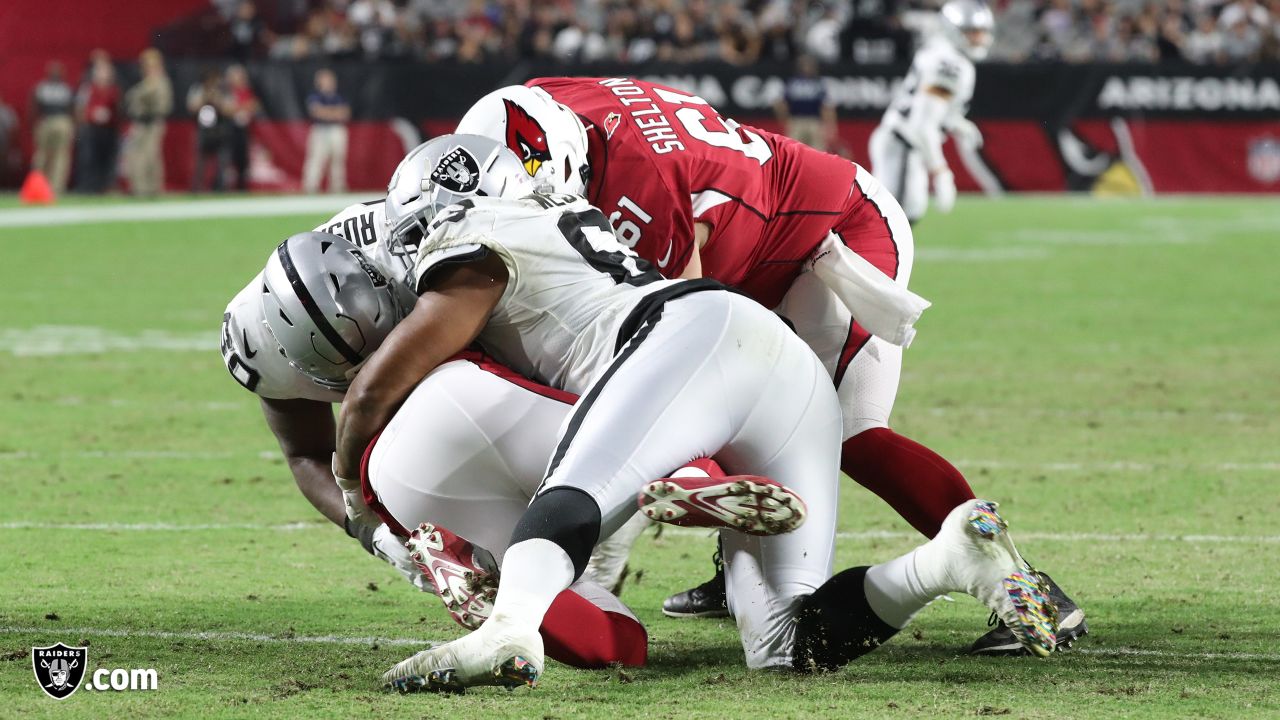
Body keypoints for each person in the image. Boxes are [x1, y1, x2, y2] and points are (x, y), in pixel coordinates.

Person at [329, 134, 1057, 691]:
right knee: (784, 645)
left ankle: (512, 626)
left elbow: (382, 383)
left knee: (576, 485)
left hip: (687, 338)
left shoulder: (473, 237)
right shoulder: (563, 211)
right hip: (782, 372)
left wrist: (353, 480)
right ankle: (945, 558)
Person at [456, 77, 1086, 656]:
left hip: (831, 234)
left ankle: (1028, 586)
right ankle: (731, 569)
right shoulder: (541, 103)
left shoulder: (639, 187)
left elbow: (682, 343)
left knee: (846, 431)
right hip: (759, 237)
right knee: (741, 405)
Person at [869, 0, 990, 223]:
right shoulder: (949, 64)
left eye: (982, 32)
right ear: (955, 31)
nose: (979, 38)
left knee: (907, 215)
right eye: (972, 32)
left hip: (905, 143)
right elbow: (924, 124)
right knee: (891, 223)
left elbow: (935, 109)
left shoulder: (946, 55)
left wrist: (959, 124)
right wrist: (941, 171)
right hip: (902, 144)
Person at [123, 48, 173, 196]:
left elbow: (163, 104)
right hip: (141, 123)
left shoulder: (160, 81)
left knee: (150, 156)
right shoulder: (146, 81)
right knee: (135, 156)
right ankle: (139, 188)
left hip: (152, 122)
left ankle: (152, 188)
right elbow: (131, 98)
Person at [74, 59, 121, 194]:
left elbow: (118, 109)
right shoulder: (88, 88)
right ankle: (88, 187)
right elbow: (80, 107)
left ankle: (105, 187)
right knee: (89, 159)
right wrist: (86, 120)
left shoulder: (113, 89)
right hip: (91, 128)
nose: (103, 74)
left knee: (107, 160)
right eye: (100, 71)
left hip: (108, 129)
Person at [773, 55, 836, 152]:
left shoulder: (819, 83)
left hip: (814, 122)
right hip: (796, 121)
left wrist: (829, 125)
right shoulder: (792, 82)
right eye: (806, 65)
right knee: (793, 152)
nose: (808, 68)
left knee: (817, 153)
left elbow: (826, 106)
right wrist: (785, 119)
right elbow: (780, 103)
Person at [301, 68, 349, 193]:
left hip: (336, 129)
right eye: (326, 80)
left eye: (331, 80)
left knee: (338, 159)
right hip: (320, 129)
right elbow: (316, 112)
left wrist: (326, 112)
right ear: (319, 82)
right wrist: (334, 112)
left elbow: (345, 113)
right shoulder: (314, 96)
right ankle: (311, 186)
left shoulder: (339, 96)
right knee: (316, 158)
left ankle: (337, 187)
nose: (329, 82)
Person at [30, 61, 75, 194]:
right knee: (57, 155)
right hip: (61, 121)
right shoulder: (66, 89)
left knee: (44, 155)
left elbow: (34, 107)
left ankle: (40, 185)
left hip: (47, 120)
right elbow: (71, 109)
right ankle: (54, 187)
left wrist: (35, 124)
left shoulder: (42, 88)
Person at [188, 69, 229, 192]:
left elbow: (229, 109)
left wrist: (217, 100)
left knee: (222, 161)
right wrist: (205, 97)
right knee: (200, 161)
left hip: (219, 128)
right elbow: (192, 107)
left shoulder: (223, 91)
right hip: (203, 129)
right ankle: (197, 188)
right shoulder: (198, 89)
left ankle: (220, 188)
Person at [223, 65, 259, 191]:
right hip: (230, 128)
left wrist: (238, 107)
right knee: (228, 157)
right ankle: (224, 186)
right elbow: (226, 109)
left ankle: (242, 186)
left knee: (242, 158)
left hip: (243, 129)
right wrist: (242, 107)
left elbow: (254, 106)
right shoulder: (228, 92)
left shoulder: (247, 91)